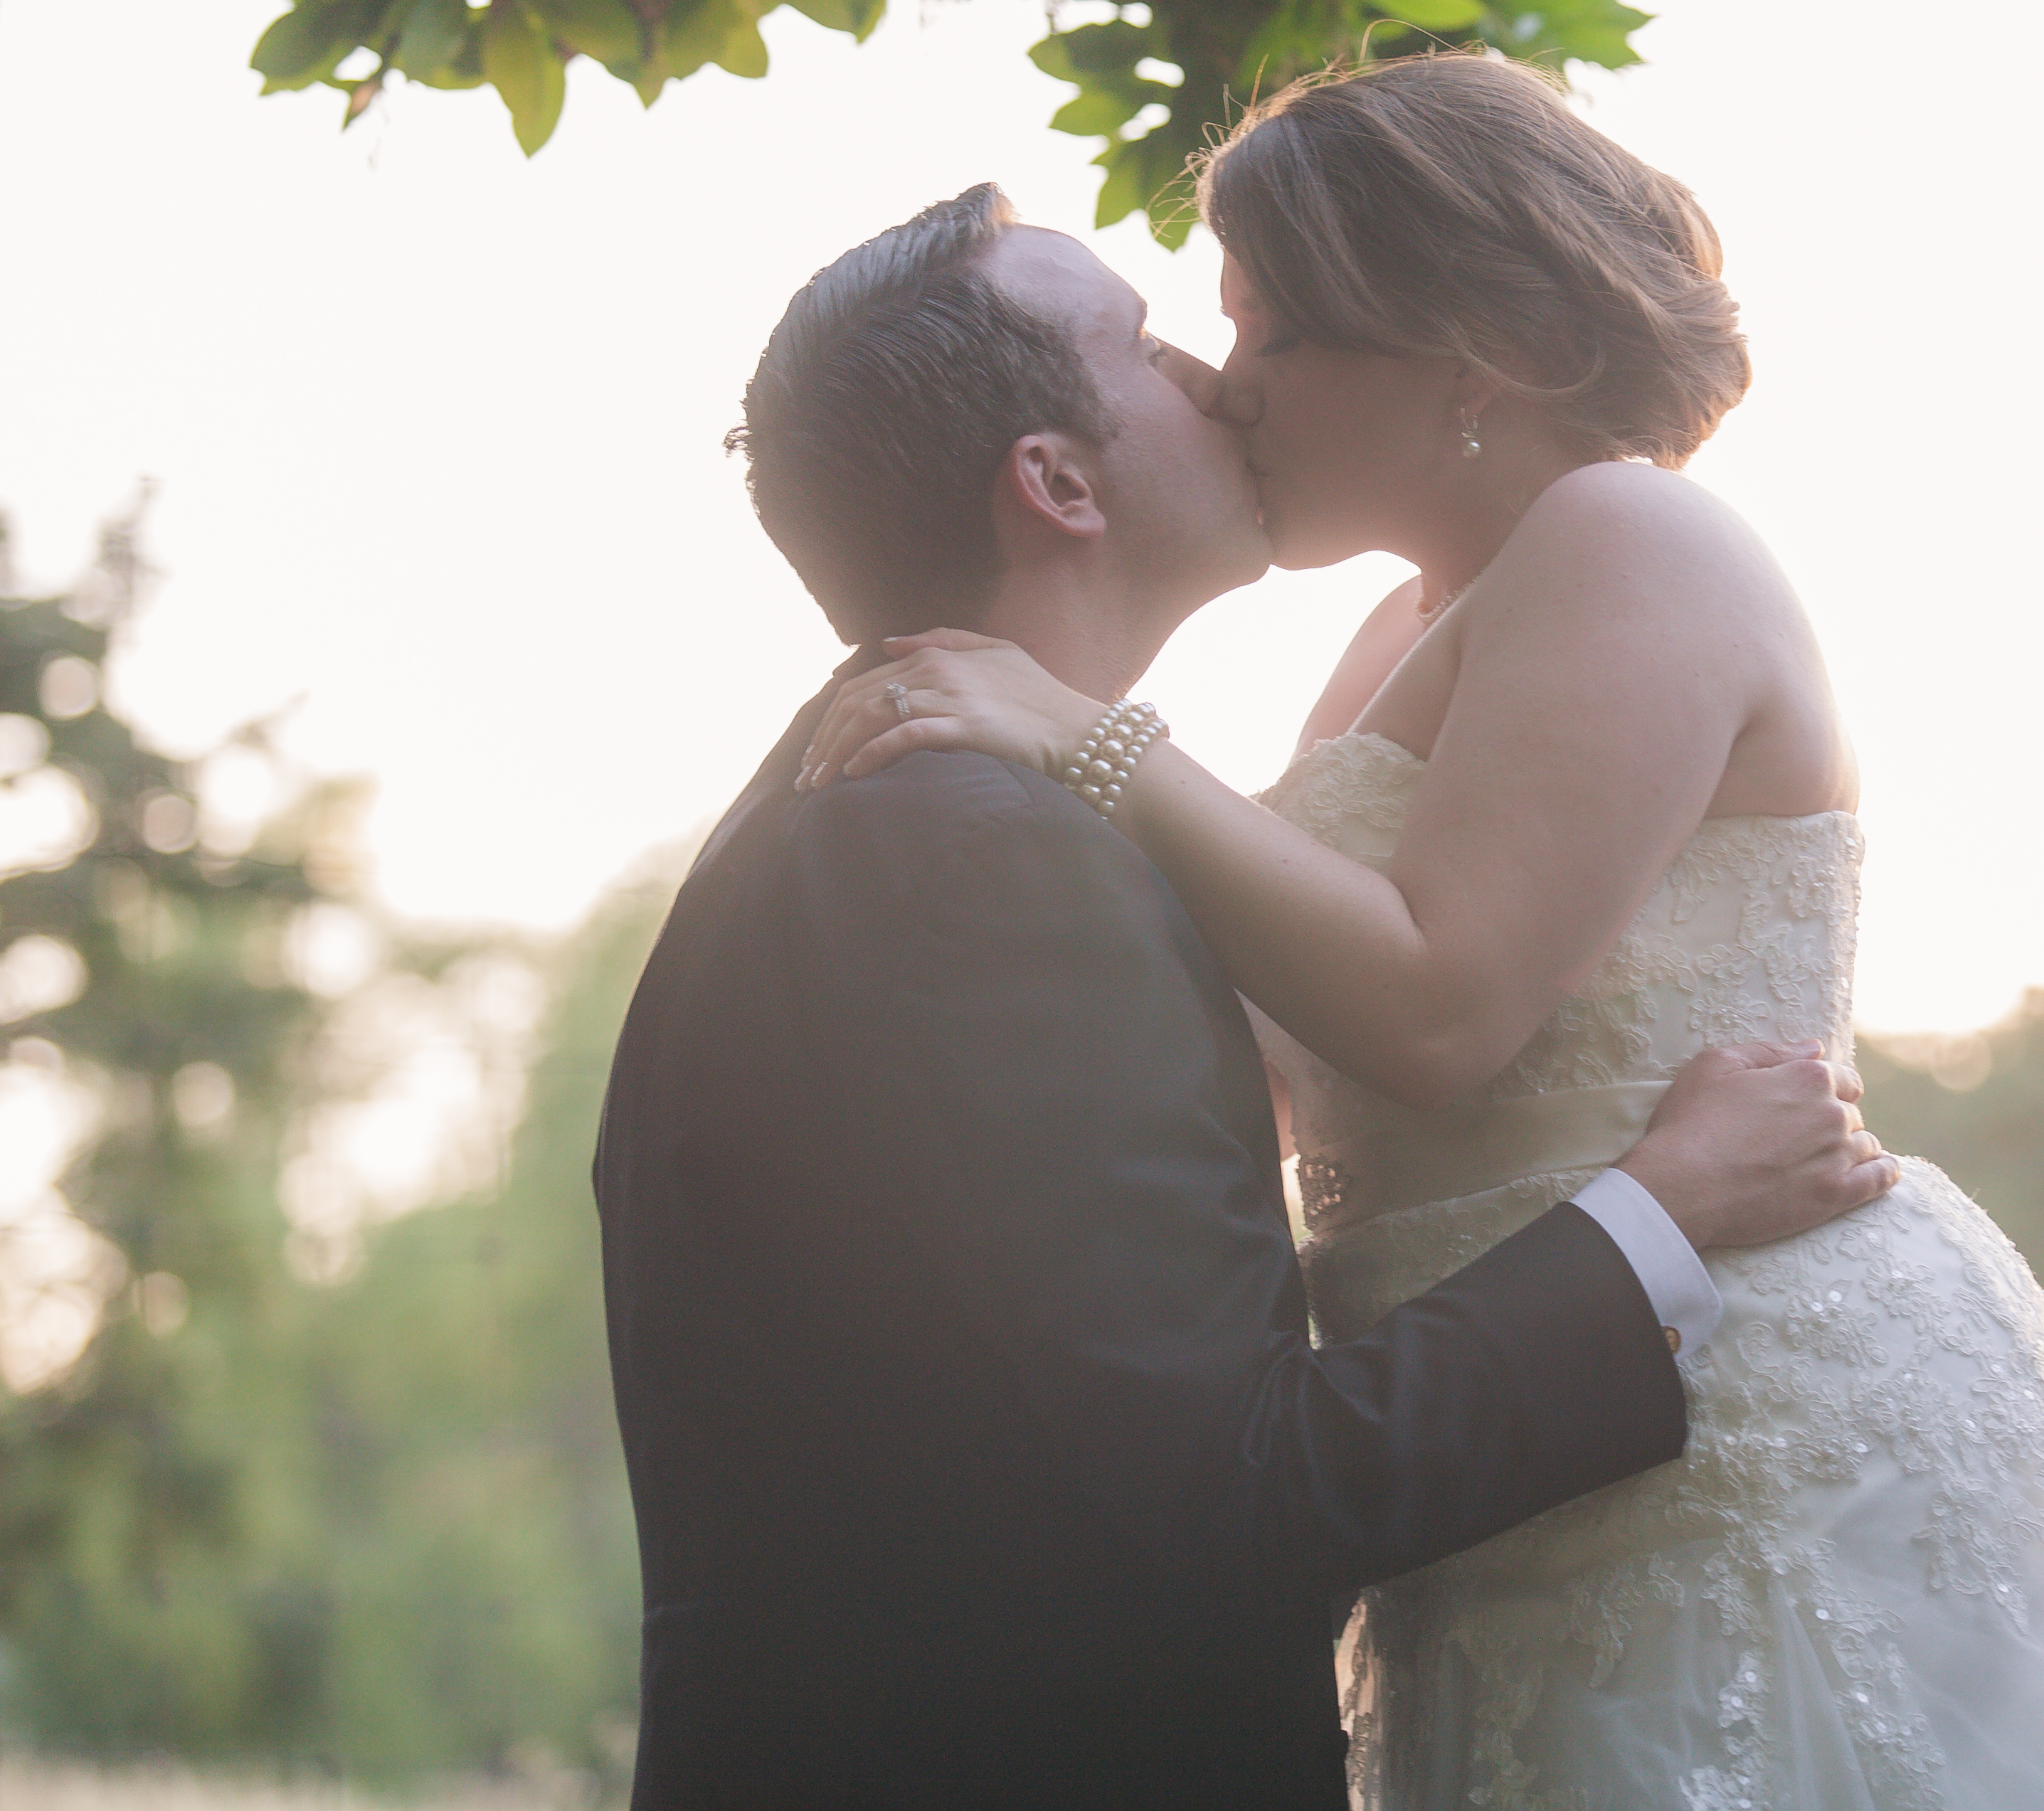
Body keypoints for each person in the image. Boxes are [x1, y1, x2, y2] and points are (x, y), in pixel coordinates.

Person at [806, 54, 2044, 1808]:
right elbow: (1275, 1032)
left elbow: (1439, 1004)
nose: (1229, 389)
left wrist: (1085, 738)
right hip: (1510, 1469)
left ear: (1466, 350)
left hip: (1735, 1446)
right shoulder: (1405, 628)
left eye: (1276, 337)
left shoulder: (1633, 539)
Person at [591, 181, 1899, 1810]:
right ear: (1055, 482)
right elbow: (1222, 1503)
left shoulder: (907, 822)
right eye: (1150, 340)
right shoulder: (974, 857)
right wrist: (1660, 1206)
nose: (1219, 375)